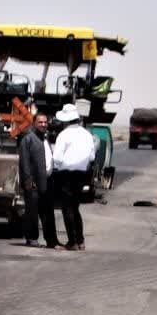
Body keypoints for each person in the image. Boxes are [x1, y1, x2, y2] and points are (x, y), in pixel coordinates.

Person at [50, 103, 96, 250]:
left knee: (67, 209)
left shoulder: (63, 135)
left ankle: (72, 242)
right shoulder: (87, 135)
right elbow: (91, 157)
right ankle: (81, 241)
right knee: (75, 208)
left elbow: (57, 158)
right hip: (82, 175)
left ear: (65, 120)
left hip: (66, 175)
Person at [18, 112, 60, 248]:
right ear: (34, 123)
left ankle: (51, 240)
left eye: (45, 122)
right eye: (40, 122)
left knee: (48, 212)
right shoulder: (28, 139)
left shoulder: (45, 139)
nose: (43, 124)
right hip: (33, 183)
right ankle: (31, 238)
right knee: (32, 212)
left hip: (47, 182)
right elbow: (24, 162)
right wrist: (28, 180)